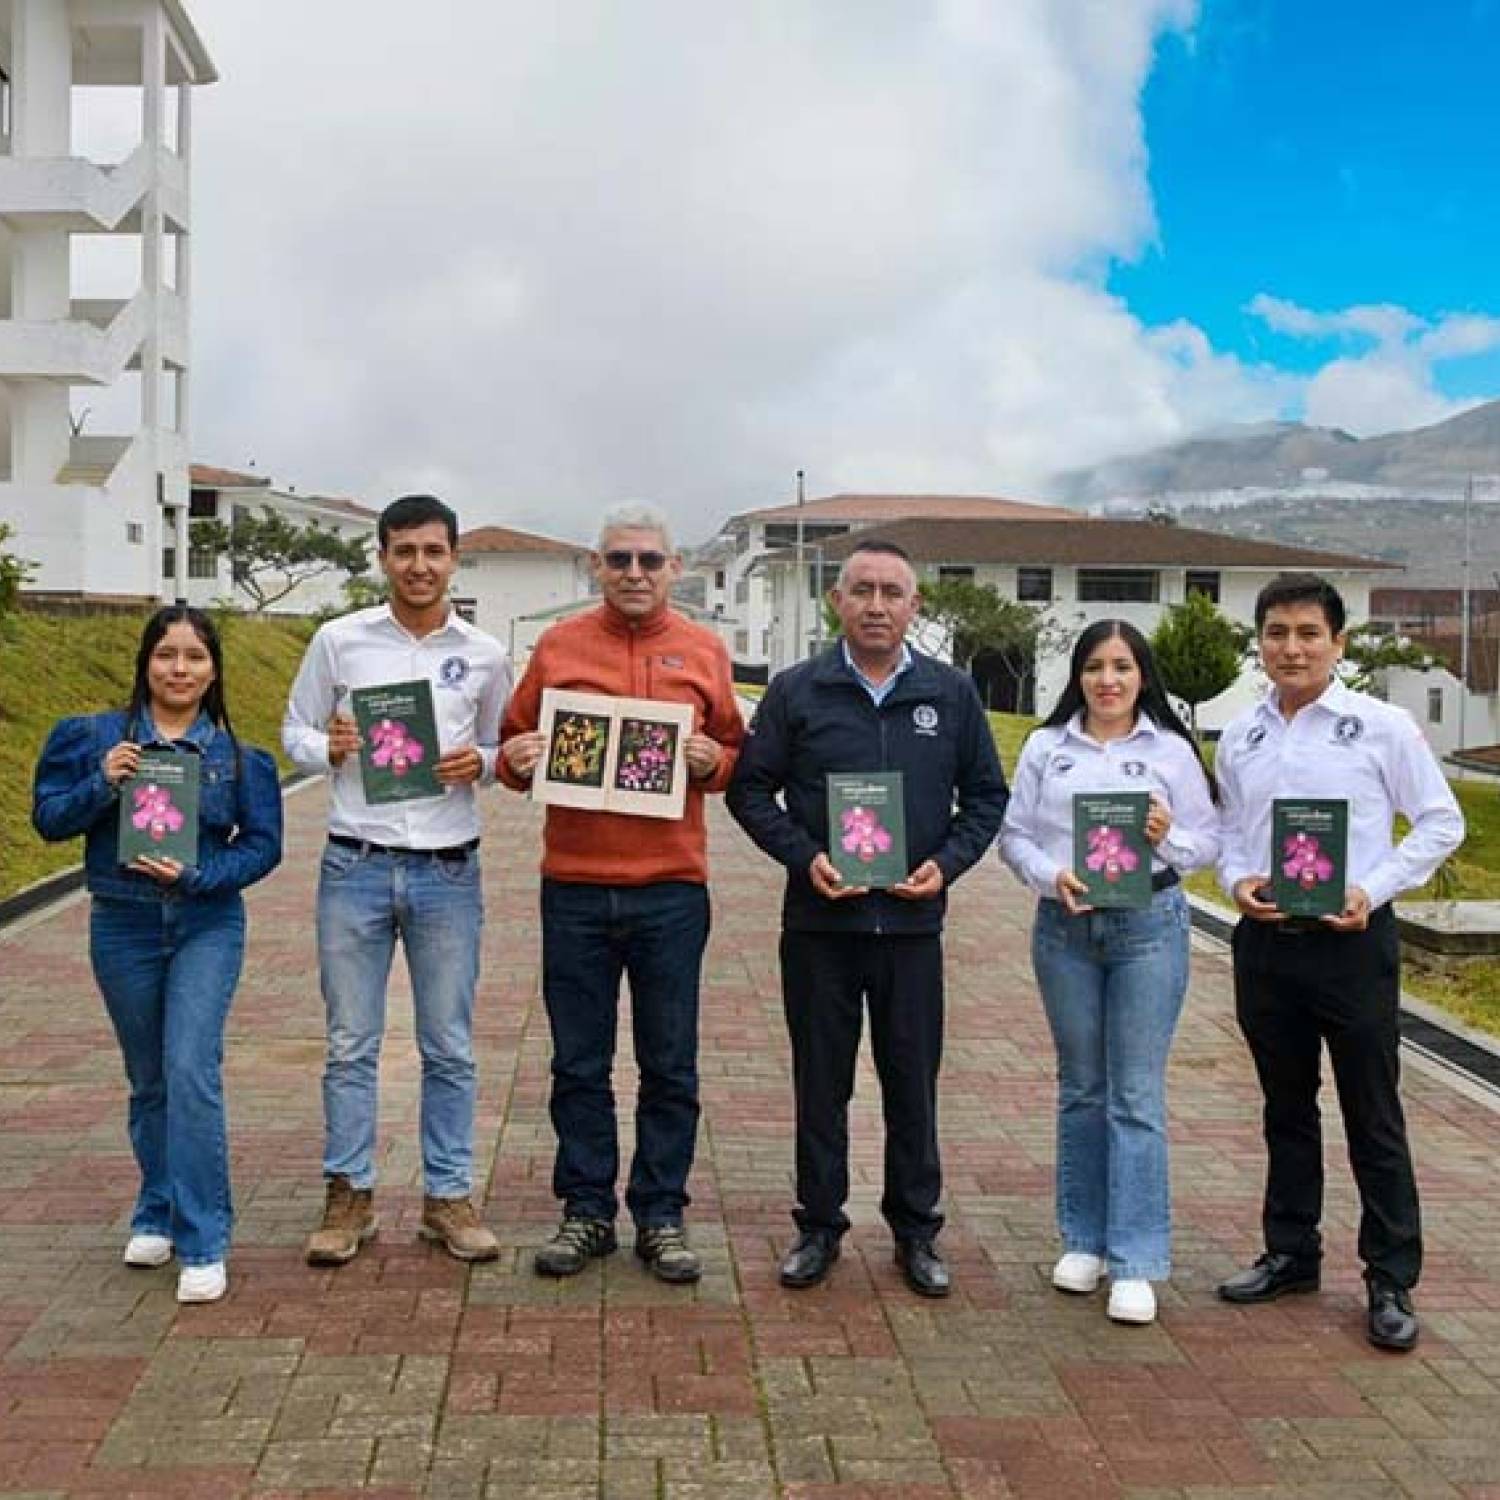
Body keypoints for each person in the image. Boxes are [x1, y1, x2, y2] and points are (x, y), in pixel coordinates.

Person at [726, 540, 1008, 1297]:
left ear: (915, 606)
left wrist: (943, 866)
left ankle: (917, 1232)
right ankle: (819, 1226)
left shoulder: (950, 694)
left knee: (911, 1083)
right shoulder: (797, 691)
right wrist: (804, 857)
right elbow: (751, 792)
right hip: (821, 927)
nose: (877, 605)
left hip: (912, 930)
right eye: (862, 591)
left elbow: (987, 798)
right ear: (837, 602)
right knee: (822, 1084)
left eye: (892, 592)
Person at [1216, 573, 1464, 1351]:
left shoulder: (1382, 726)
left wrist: (1373, 888)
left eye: (1308, 634)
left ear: (1338, 643)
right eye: (1277, 633)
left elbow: (1439, 821)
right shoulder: (1241, 735)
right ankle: (1291, 1252)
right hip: (1265, 946)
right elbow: (1228, 834)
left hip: (1352, 946)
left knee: (1372, 1114)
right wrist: (1236, 882)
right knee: (1284, 1109)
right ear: (1259, 642)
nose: (1291, 648)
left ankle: (1390, 1277)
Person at [498, 502, 744, 1284]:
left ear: (675, 568)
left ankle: (662, 1214)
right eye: (618, 560)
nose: (634, 573)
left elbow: (738, 748)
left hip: (672, 892)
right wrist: (522, 755)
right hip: (573, 888)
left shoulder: (702, 650)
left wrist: (715, 761)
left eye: (648, 560)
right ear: (594, 567)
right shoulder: (560, 646)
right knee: (578, 1062)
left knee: (670, 1064)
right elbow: (509, 749)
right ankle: (586, 1210)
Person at [284, 494, 511, 1265]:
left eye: (434, 551)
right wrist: (333, 749)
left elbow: (504, 748)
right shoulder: (338, 641)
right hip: (355, 863)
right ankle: (349, 1196)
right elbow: (295, 732)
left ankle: (447, 1196)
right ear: (382, 556)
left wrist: (476, 763)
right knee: (351, 1043)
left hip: (448, 868)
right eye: (405, 550)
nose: (420, 565)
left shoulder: (482, 653)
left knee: (449, 1044)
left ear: (454, 558)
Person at [32, 606, 283, 1304]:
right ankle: (157, 1208)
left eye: (195, 658)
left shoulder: (238, 757)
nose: (180, 670)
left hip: (206, 923)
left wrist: (201, 877)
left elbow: (262, 846)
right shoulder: (91, 738)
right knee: (148, 1079)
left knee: (190, 1068)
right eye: (167, 655)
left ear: (214, 669)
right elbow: (49, 820)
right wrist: (102, 782)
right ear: (145, 661)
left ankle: (204, 1239)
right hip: (123, 923)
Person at [998, 620, 1219, 1325]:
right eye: (1095, 666)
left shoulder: (1172, 751)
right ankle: (1084, 1241)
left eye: (1122, 666)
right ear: (1078, 676)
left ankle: (1136, 1257)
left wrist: (1167, 838)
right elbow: (1015, 836)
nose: (1108, 680)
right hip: (1065, 927)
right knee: (1082, 1087)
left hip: (1148, 927)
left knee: (1135, 1092)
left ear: (1142, 675)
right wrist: (1046, 875)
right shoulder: (1045, 746)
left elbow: (1208, 841)